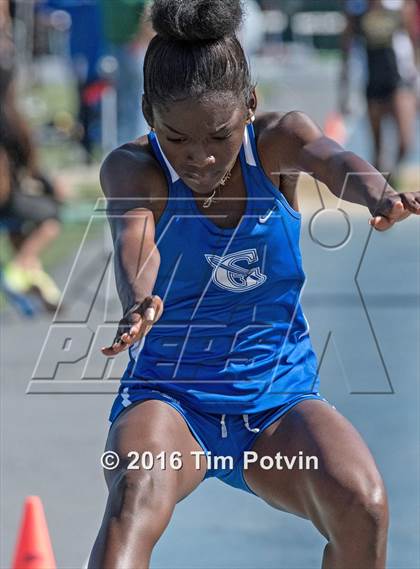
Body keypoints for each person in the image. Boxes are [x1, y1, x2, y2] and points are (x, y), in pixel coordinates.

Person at [88, 1, 420, 567]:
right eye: (177, 139)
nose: (200, 157)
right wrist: (139, 298)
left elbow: (332, 159)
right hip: (172, 402)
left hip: (277, 407)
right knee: (134, 497)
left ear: (250, 104)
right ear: (147, 112)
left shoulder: (276, 143)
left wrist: (379, 194)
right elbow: (133, 238)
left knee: (363, 505)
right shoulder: (133, 168)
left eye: (219, 135)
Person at [0, 65, 63, 312]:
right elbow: (32, 165)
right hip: (7, 201)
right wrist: (50, 187)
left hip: (8, 203)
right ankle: (16, 270)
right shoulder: (11, 121)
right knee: (51, 216)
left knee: (19, 228)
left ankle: (35, 285)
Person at [341, 0, 418, 183]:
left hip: (399, 80)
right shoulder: (357, 12)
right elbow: (346, 50)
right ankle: (380, 189)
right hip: (372, 82)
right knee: (377, 148)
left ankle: (393, 175)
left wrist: (416, 78)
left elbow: (413, 42)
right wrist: (345, 91)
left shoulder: (399, 8)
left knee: (405, 141)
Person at [99, 0, 154, 145]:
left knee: (137, 99)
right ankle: (124, 142)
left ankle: (139, 142)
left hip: (133, 48)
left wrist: (140, 41)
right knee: (122, 100)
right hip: (114, 48)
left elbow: (148, 13)